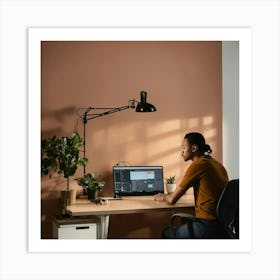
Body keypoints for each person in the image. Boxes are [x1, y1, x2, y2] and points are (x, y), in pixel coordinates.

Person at [154, 132, 229, 238]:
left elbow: (171, 200)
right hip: (223, 226)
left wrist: (162, 196)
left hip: (207, 226)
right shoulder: (217, 165)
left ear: (194, 148)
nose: (181, 152)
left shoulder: (198, 165)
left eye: (184, 148)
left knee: (167, 232)